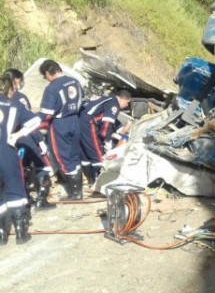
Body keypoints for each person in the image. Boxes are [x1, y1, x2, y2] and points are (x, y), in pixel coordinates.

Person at [4, 68, 55, 210]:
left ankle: (24, 198)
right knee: (44, 167)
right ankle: (41, 201)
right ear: (16, 81)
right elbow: (30, 122)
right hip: (23, 138)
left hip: (7, 142)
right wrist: (39, 140)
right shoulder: (19, 98)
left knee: (21, 169)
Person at [0, 73, 42, 244]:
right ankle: (20, 234)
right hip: (7, 150)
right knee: (15, 190)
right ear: (11, 89)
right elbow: (37, 120)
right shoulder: (15, 104)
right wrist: (18, 134)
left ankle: (2, 235)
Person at [38, 60, 84, 201]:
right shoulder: (75, 82)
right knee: (75, 155)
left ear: (47, 73)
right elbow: (83, 101)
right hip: (75, 121)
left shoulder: (52, 88)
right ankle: (78, 190)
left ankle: (75, 193)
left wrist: (35, 123)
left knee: (63, 157)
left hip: (60, 124)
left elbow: (47, 114)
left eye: (44, 76)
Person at [79, 90, 131, 185]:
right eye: (127, 102)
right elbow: (107, 124)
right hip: (89, 123)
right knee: (97, 154)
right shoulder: (114, 104)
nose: (127, 105)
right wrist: (106, 140)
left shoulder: (107, 99)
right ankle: (99, 183)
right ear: (123, 99)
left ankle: (91, 180)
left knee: (85, 153)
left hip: (80, 120)